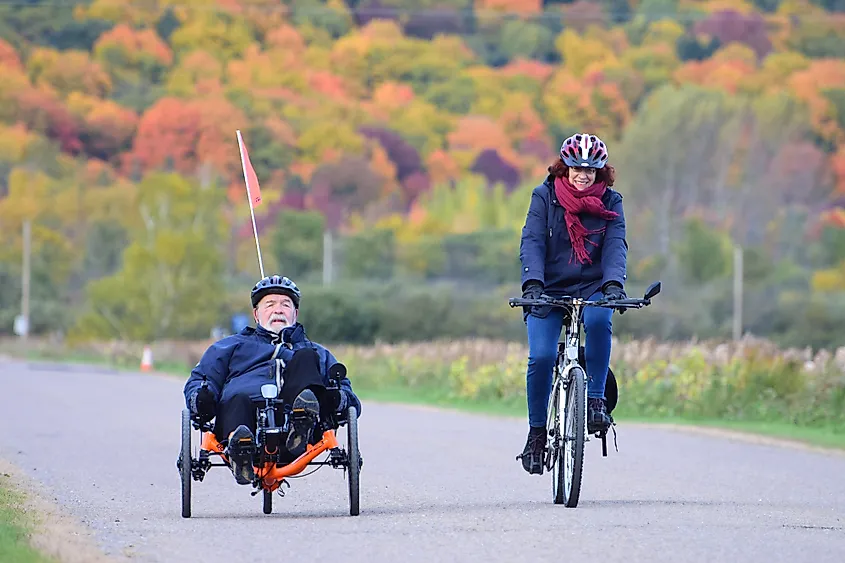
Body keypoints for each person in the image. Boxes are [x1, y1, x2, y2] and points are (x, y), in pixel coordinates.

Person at [516, 133, 627, 475]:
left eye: (590, 170)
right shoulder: (544, 197)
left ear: (600, 172)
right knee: (542, 356)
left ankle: (595, 398)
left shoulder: (611, 201)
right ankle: (536, 435)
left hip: (593, 284)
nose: (583, 175)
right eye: (577, 168)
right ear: (565, 168)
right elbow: (532, 241)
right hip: (548, 287)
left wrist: (613, 285)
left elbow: (616, 245)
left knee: (597, 322)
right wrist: (532, 283)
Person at [183, 275, 362, 485]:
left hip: (293, 425)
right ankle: (241, 452)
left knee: (305, 357)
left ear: (295, 314)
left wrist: (336, 398)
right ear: (256, 314)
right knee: (237, 399)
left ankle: (300, 424)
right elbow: (200, 380)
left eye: (285, 305)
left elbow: (350, 399)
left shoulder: (314, 351)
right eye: (270, 304)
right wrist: (201, 399)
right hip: (243, 415)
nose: (278, 310)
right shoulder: (229, 347)